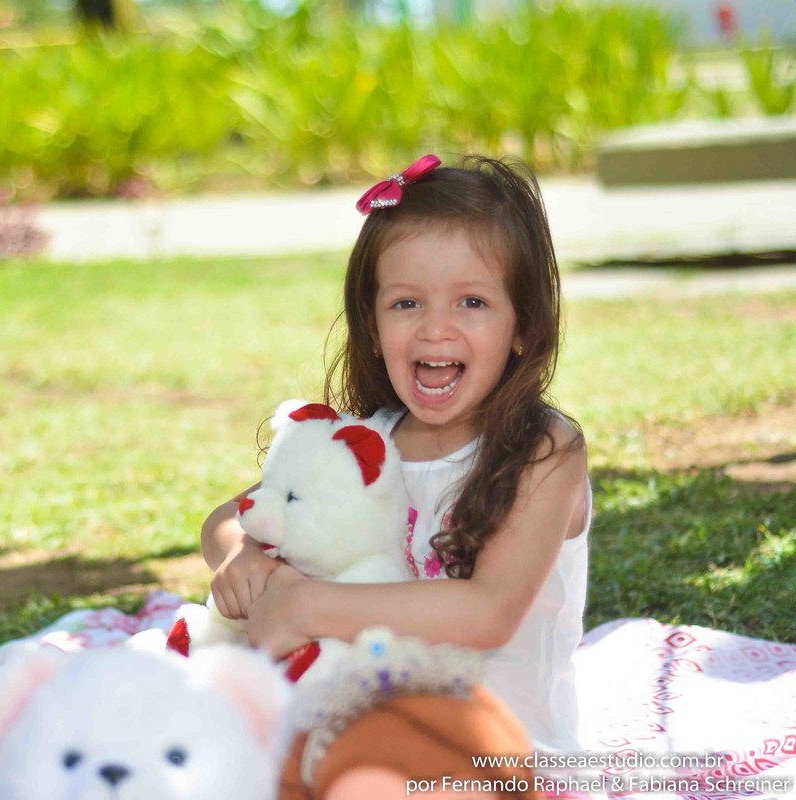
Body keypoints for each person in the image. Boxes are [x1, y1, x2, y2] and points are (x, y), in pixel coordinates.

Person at [199, 154, 590, 799]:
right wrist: (246, 557)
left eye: (472, 301)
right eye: (406, 302)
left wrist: (306, 604)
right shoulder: (364, 443)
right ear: (374, 326)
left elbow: (488, 612)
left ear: (523, 324)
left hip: (495, 753)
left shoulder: (543, 450)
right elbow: (228, 518)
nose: (436, 328)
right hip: (352, 729)